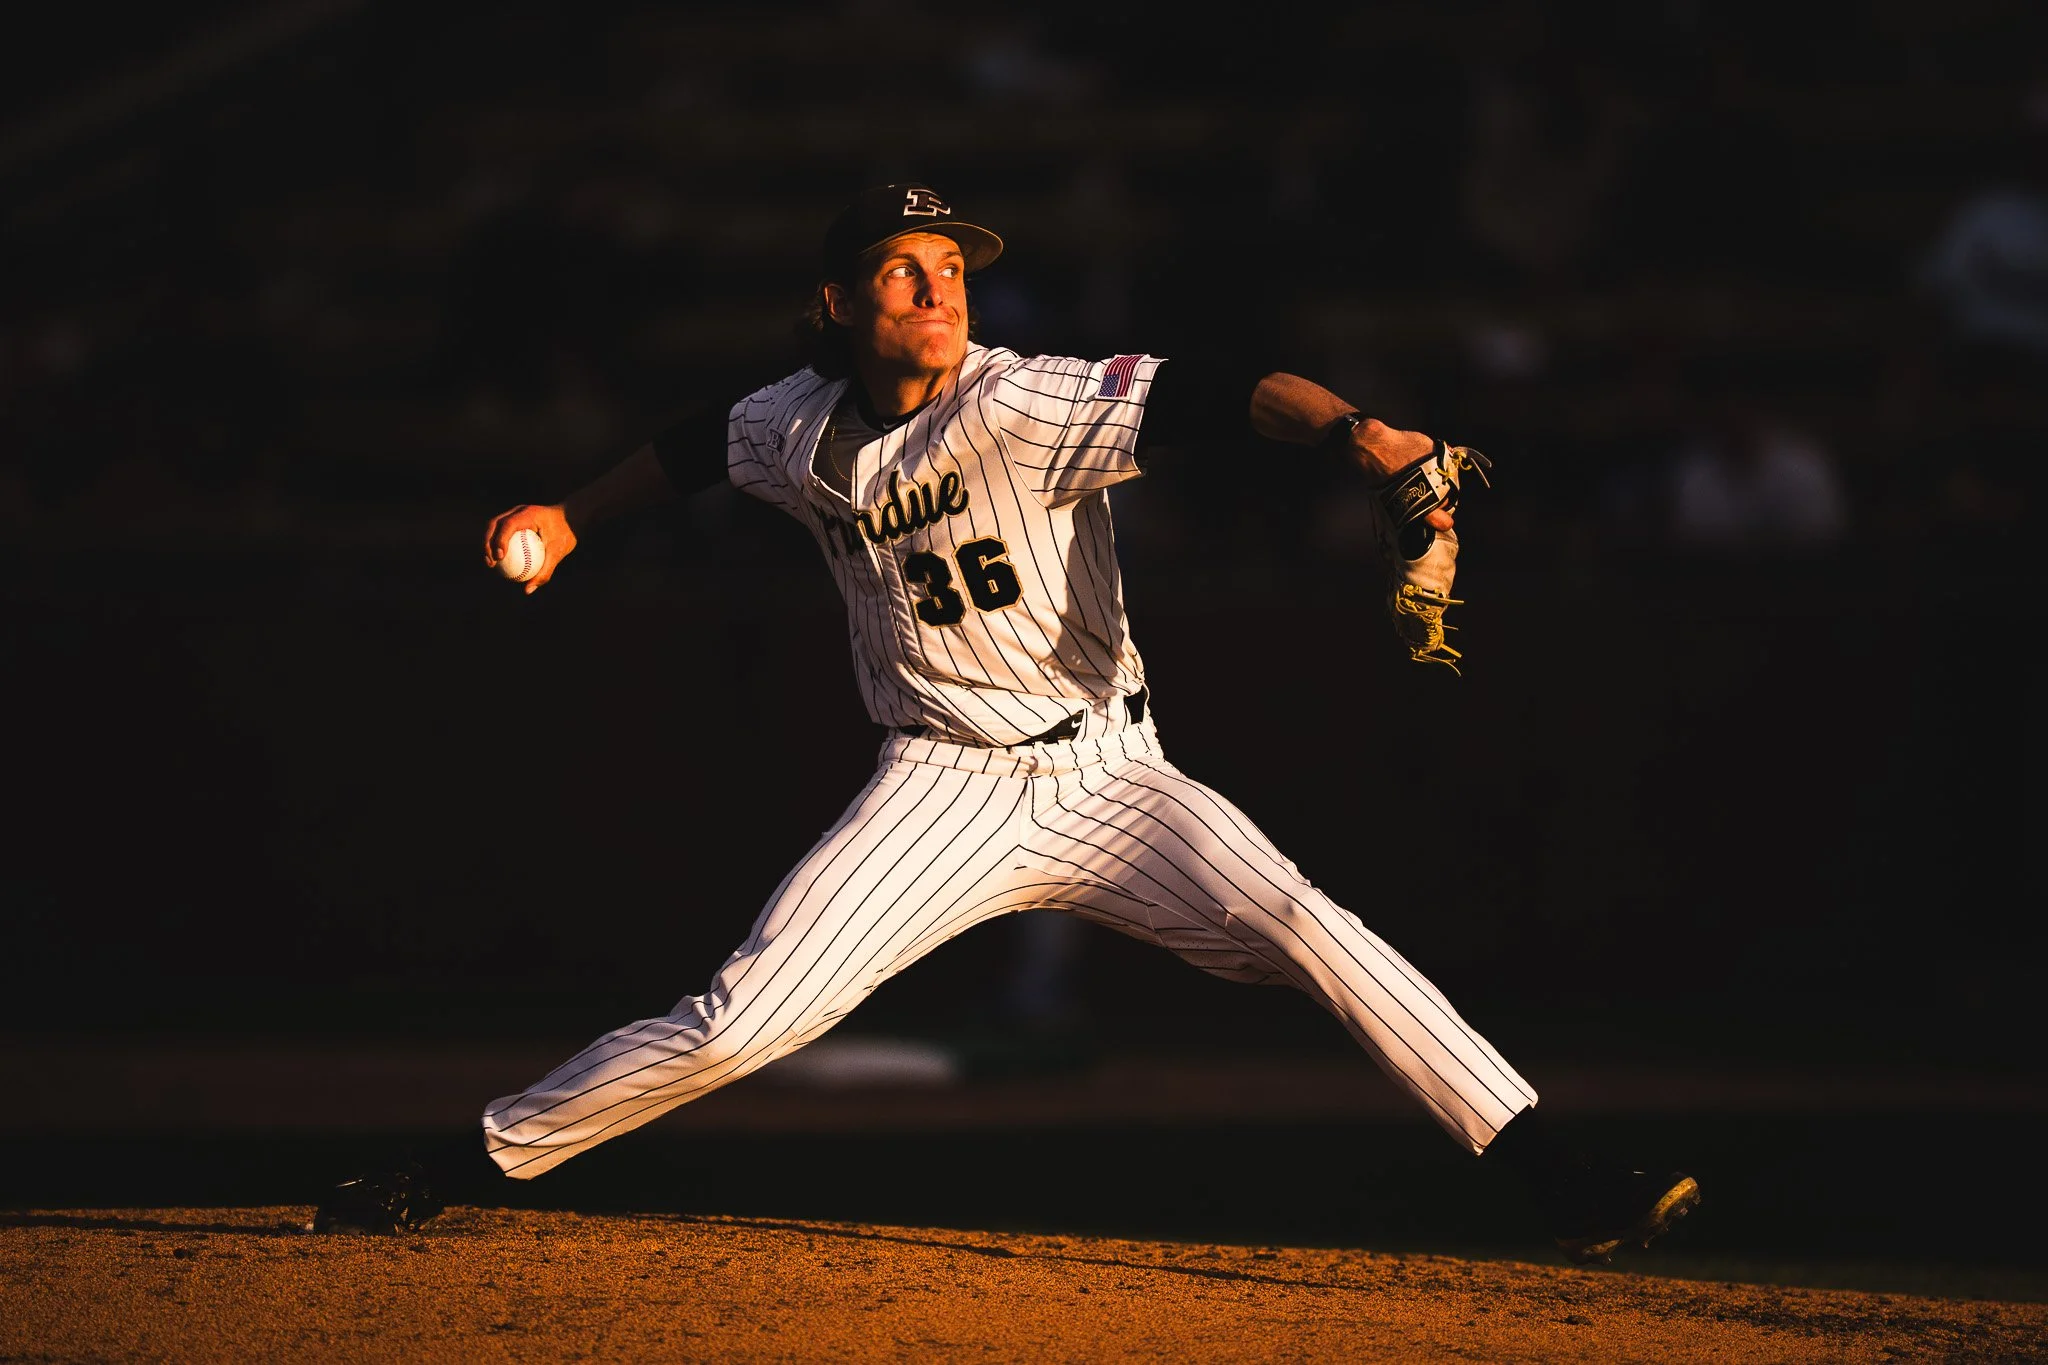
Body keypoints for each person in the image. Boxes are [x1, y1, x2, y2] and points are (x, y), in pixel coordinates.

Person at [315, 182, 1700, 1265]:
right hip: (935, 787)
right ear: (839, 304)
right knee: (738, 1025)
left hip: (1106, 768)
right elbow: (693, 447)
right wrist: (568, 516)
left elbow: (1219, 393)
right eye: (904, 270)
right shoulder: (794, 427)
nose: (938, 288)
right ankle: (460, 1165)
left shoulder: (1027, 401)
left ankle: (1557, 1174)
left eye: (954, 268)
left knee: (1305, 926)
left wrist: (1364, 434)